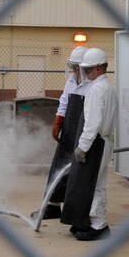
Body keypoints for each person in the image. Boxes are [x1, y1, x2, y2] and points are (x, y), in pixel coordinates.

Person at [60, 48, 117, 241]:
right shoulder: (107, 88)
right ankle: (95, 223)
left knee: (89, 185)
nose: (85, 73)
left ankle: (96, 225)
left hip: (95, 145)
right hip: (103, 142)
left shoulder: (96, 90)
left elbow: (92, 123)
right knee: (97, 185)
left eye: (89, 69)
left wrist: (82, 147)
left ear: (100, 68)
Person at [31, 46, 89, 220]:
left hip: (85, 130)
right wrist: (58, 119)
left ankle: (76, 209)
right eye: (72, 66)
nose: (73, 70)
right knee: (59, 165)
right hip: (69, 129)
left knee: (79, 171)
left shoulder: (94, 86)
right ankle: (52, 205)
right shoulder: (71, 81)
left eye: (77, 67)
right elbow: (64, 100)